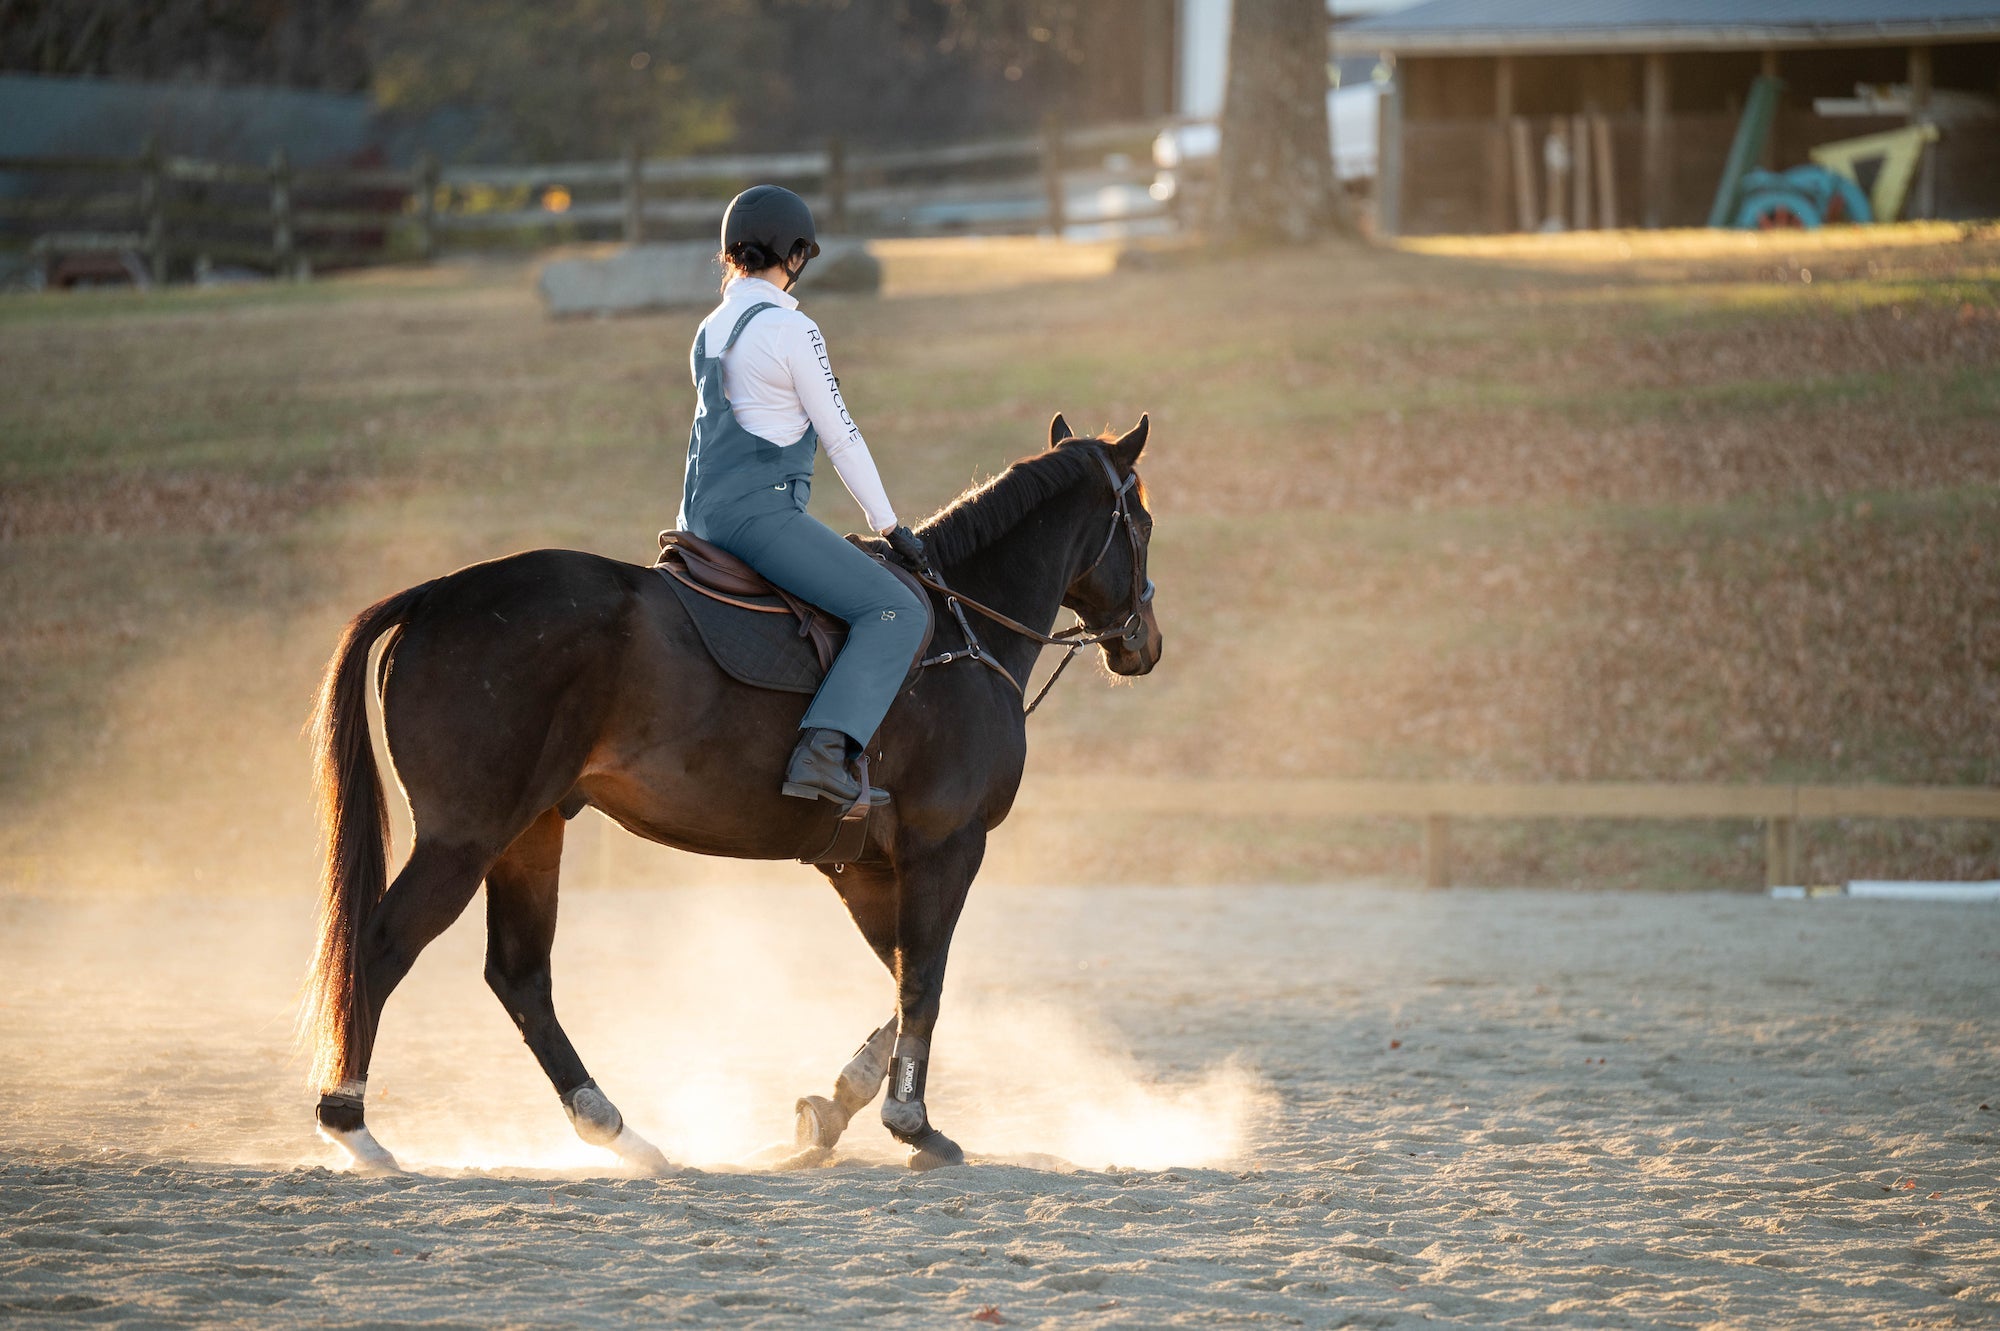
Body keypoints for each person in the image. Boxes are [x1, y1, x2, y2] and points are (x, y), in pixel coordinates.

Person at [677, 184, 928, 806]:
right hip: (759, 517)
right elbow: (841, 438)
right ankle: (823, 754)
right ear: (793, 253)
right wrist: (892, 526)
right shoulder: (794, 331)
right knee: (897, 612)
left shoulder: (709, 329)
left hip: (695, 520)